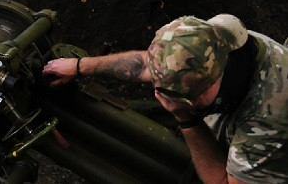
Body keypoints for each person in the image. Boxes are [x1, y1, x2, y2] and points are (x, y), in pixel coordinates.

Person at [42, 14, 288, 184]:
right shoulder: (214, 40)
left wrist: (186, 119)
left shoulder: (268, 118)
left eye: (187, 96)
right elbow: (147, 66)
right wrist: (80, 66)